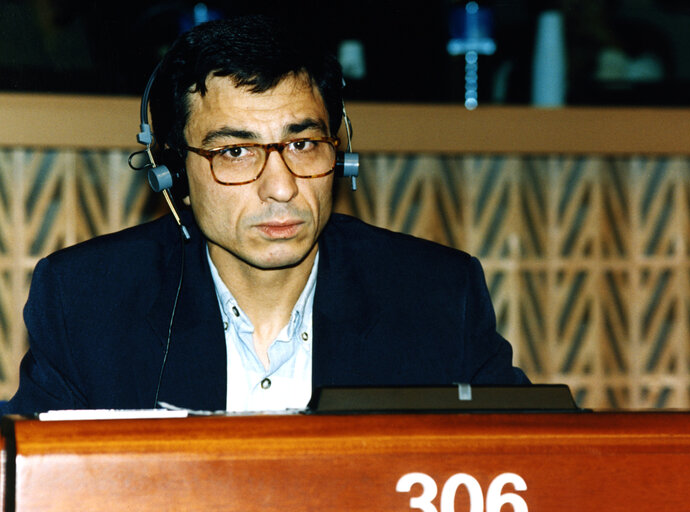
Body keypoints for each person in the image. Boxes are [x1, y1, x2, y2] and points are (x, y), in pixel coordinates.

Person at [3, 15, 528, 415]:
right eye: (235, 152)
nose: (281, 188)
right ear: (172, 171)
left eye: (302, 144)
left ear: (339, 154)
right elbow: (29, 480)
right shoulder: (88, 300)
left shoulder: (435, 295)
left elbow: (537, 461)